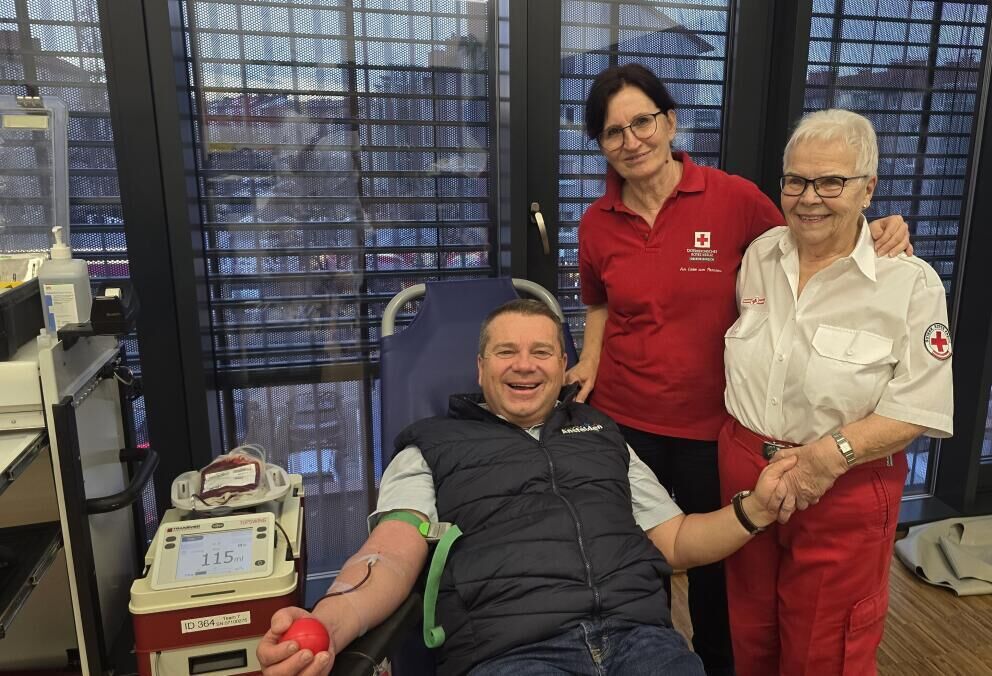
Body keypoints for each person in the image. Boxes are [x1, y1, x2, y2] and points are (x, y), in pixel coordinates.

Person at [565, 62, 912, 674]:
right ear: (600, 144)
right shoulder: (596, 222)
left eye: (643, 121)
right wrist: (590, 356)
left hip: (713, 428)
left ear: (671, 122)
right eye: (613, 131)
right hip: (626, 423)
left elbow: (812, 239)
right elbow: (599, 301)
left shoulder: (733, 199)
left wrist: (875, 227)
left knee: (722, 577)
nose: (632, 140)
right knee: (636, 561)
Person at [257, 299, 802, 676]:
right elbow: (390, 556)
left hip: (642, 641)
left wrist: (754, 508)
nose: (524, 366)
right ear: (480, 367)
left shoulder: (600, 433)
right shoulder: (430, 445)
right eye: (506, 352)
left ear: (563, 366)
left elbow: (677, 539)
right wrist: (329, 621)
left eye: (541, 352)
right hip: (513, 652)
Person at [719, 109, 954, 675]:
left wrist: (829, 457)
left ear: (868, 188)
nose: (809, 198)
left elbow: (918, 406)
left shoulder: (910, 283)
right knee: (750, 634)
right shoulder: (760, 256)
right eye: (796, 181)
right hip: (746, 468)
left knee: (825, 647)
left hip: (845, 480)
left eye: (831, 182)